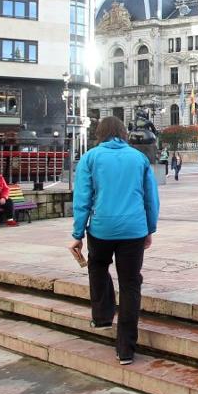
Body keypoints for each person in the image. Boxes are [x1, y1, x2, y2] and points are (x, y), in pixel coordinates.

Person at [69, 116, 160, 366]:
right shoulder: (138, 158)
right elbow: (151, 197)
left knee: (97, 266)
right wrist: (150, 228)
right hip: (134, 228)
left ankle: (102, 316)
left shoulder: (90, 158)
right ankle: (126, 349)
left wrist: (77, 234)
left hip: (101, 228)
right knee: (131, 284)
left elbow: (83, 198)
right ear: (123, 133)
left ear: (100, 133)